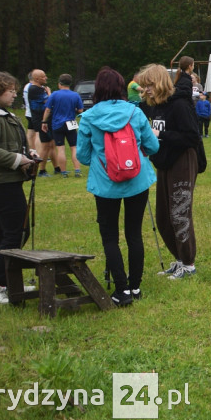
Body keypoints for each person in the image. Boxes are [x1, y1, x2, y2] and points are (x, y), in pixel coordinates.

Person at [77, 68, 159, 306]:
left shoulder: (90, 117)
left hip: (105, 183)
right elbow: (153, 146)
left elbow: (82, 156)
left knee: (110, 236)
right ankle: (135, 286)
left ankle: (121, 290)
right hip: (137, 178)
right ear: (122, 87)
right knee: (134, 233)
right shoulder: (135, 112)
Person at [137, 64, 202, 280]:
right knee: (164, 215)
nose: (146, 90)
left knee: (179, 212)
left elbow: (192, 137)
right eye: (144, 86)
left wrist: (162, 135)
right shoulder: (157, 106)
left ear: (160, 83)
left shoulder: (180, 105)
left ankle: (189, 263)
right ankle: (179, 259)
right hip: (164, 162)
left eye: (149, 85)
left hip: (182, 160)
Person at [0, 71, 41, 305]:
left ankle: (3, 283)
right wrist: (17, 160)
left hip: (2, 180)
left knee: (2, 232)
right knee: (18, 230)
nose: (15, 93)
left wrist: (29, 154)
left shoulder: (3, 115)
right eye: (10, 90)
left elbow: (7, 144)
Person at [42, 73, 84, 178]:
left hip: (57, 124)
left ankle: (64, 172)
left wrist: (43, 122)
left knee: (60, 148)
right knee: (74, 147)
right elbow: (80, 110)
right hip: (71, 123)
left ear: (59, 83)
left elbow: (47, 109)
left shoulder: (54, 95)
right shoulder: (75, 95)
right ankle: (77, 170)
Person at [25, 69, 53, 177]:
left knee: (48, 144)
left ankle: (45, 168)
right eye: (43, 76)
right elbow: (48, 102)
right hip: (39, 119)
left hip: (42, 119)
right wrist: (49, 93)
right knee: (43, 143)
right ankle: (39, 168)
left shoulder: (39, 89)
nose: (46, 78)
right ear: (37, 78)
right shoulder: (34, 89)